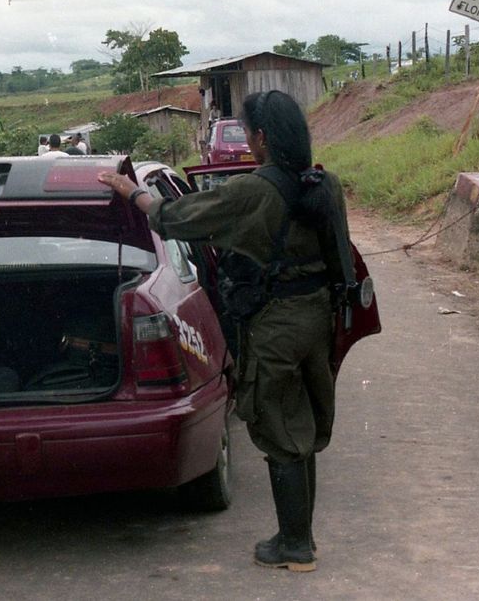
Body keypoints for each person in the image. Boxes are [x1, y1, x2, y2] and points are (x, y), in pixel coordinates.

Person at [98, 90, 351, 573]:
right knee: (300, 425)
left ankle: (295, 546)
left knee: (277, 426)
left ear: (260, 138)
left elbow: (176, 217)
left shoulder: (254, 190)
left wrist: (132, 192)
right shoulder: (325, 183)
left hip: (275, 324)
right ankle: (300, 538)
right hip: (317, 317)